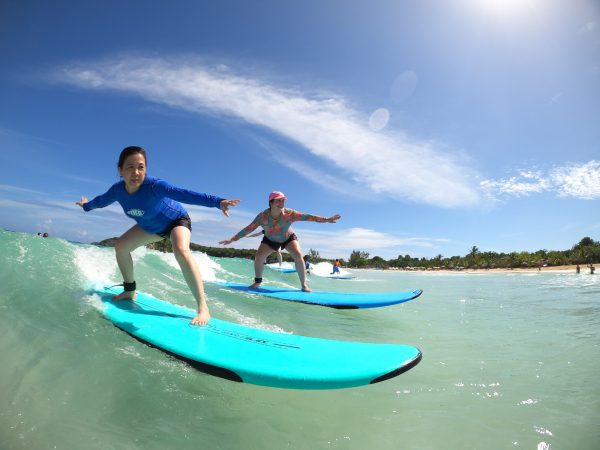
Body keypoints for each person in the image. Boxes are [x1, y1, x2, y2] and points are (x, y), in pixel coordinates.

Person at [76, 146, 239, 325]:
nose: (136, 172)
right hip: (151, 227)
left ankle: (203, 308)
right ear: (120, 170)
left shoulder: (155, 186)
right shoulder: (117, 191)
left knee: (181, 250)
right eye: (130, 167)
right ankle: (129, 290)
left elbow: (185, 194)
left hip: (176, 221)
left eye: (141, 167)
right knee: (121, 246)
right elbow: (100, 201)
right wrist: (86, 206)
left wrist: (217, 202)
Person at [219, 191, 340, 292]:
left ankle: (304, 285)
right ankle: (257, 282)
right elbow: (248, 229)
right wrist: (232, 239)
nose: (282, 203)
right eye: (278, 200)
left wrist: (327, 219)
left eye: (283, 200)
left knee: (298, 256)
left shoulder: (290, 214)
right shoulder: (262, 217)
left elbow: (309, 217)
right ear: (271, 202)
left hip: (288, 238)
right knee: (259, 257)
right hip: (269, 240)